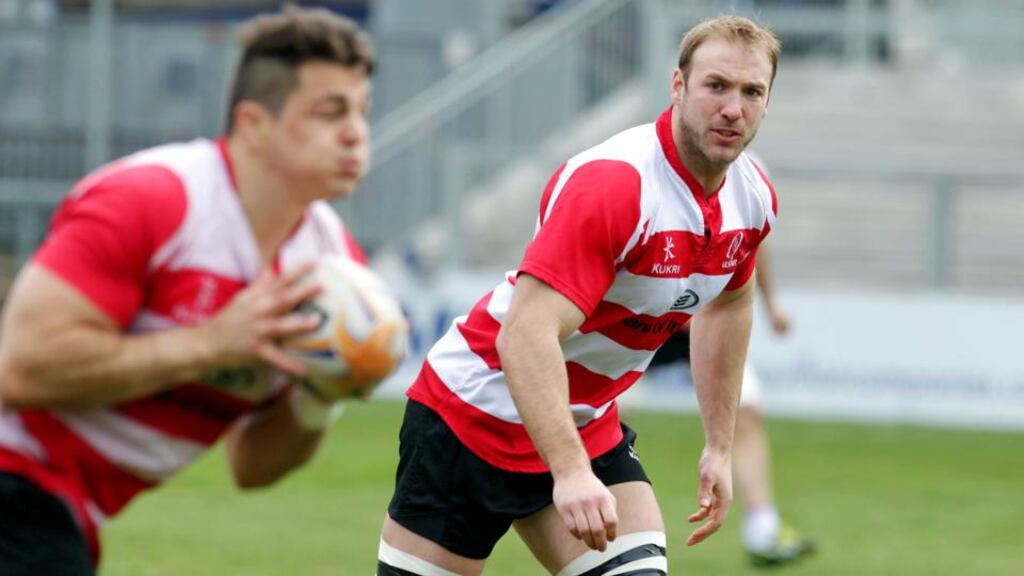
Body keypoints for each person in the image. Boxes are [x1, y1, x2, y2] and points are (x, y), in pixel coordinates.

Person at [376, 15, 782, 576]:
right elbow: (526, 332)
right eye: (716, 86)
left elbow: (729, 305)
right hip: (473, 416)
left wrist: (718, 443)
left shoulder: (753, 198)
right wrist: (568, 471)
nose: (732, 108)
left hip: (586, 422)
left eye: (751, 92)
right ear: (678, 87)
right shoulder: (616, 184)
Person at [0, 7, 374, 575]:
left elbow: (251, 467)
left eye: (362, 111)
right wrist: (209, 344)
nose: (355, 133)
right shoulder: (156, 198)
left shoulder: (334, 267)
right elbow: (21, 371)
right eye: (331, 112)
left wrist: (321, 397)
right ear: (253, 124)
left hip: (62, 511)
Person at [647, 237, 817, 567]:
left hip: (708, 319)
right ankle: (568, 504)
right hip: (641, 316)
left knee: (746, 413)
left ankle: (762, 532)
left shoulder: (751, 188)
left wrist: (770, 304)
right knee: (604, 409)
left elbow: (757, 241)